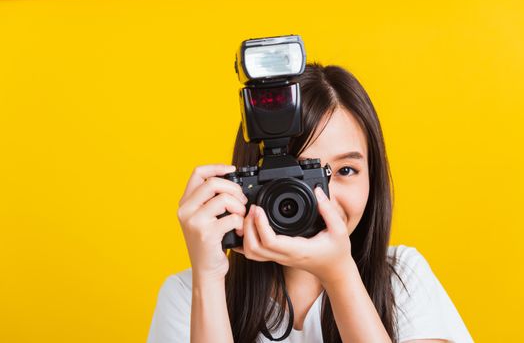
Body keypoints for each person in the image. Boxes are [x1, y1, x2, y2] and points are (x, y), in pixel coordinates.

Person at [147, 63, 474, 343]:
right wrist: (209, 278)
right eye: (298, 178)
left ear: (372, 178)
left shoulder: (401, 277)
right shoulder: (190, 293)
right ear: (250, 183)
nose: (322, 198)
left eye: (346, 170)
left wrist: (340, 274)